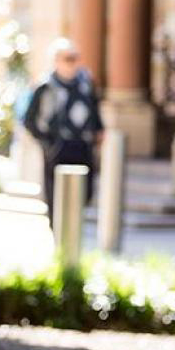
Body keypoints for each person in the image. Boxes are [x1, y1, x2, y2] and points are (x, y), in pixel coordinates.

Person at [22, 38, 104, 225]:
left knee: (85, 192)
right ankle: (59, 236)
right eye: (68, 58)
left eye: (75, 58)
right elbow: (29, 120)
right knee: (56, 195)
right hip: (57, 148)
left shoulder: (86, 84)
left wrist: (99, 131)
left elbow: (95, 110)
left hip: (82, 146)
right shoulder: (45, 87)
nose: (72, 63)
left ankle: (74, 230)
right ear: (56, 61)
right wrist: (46, 143)